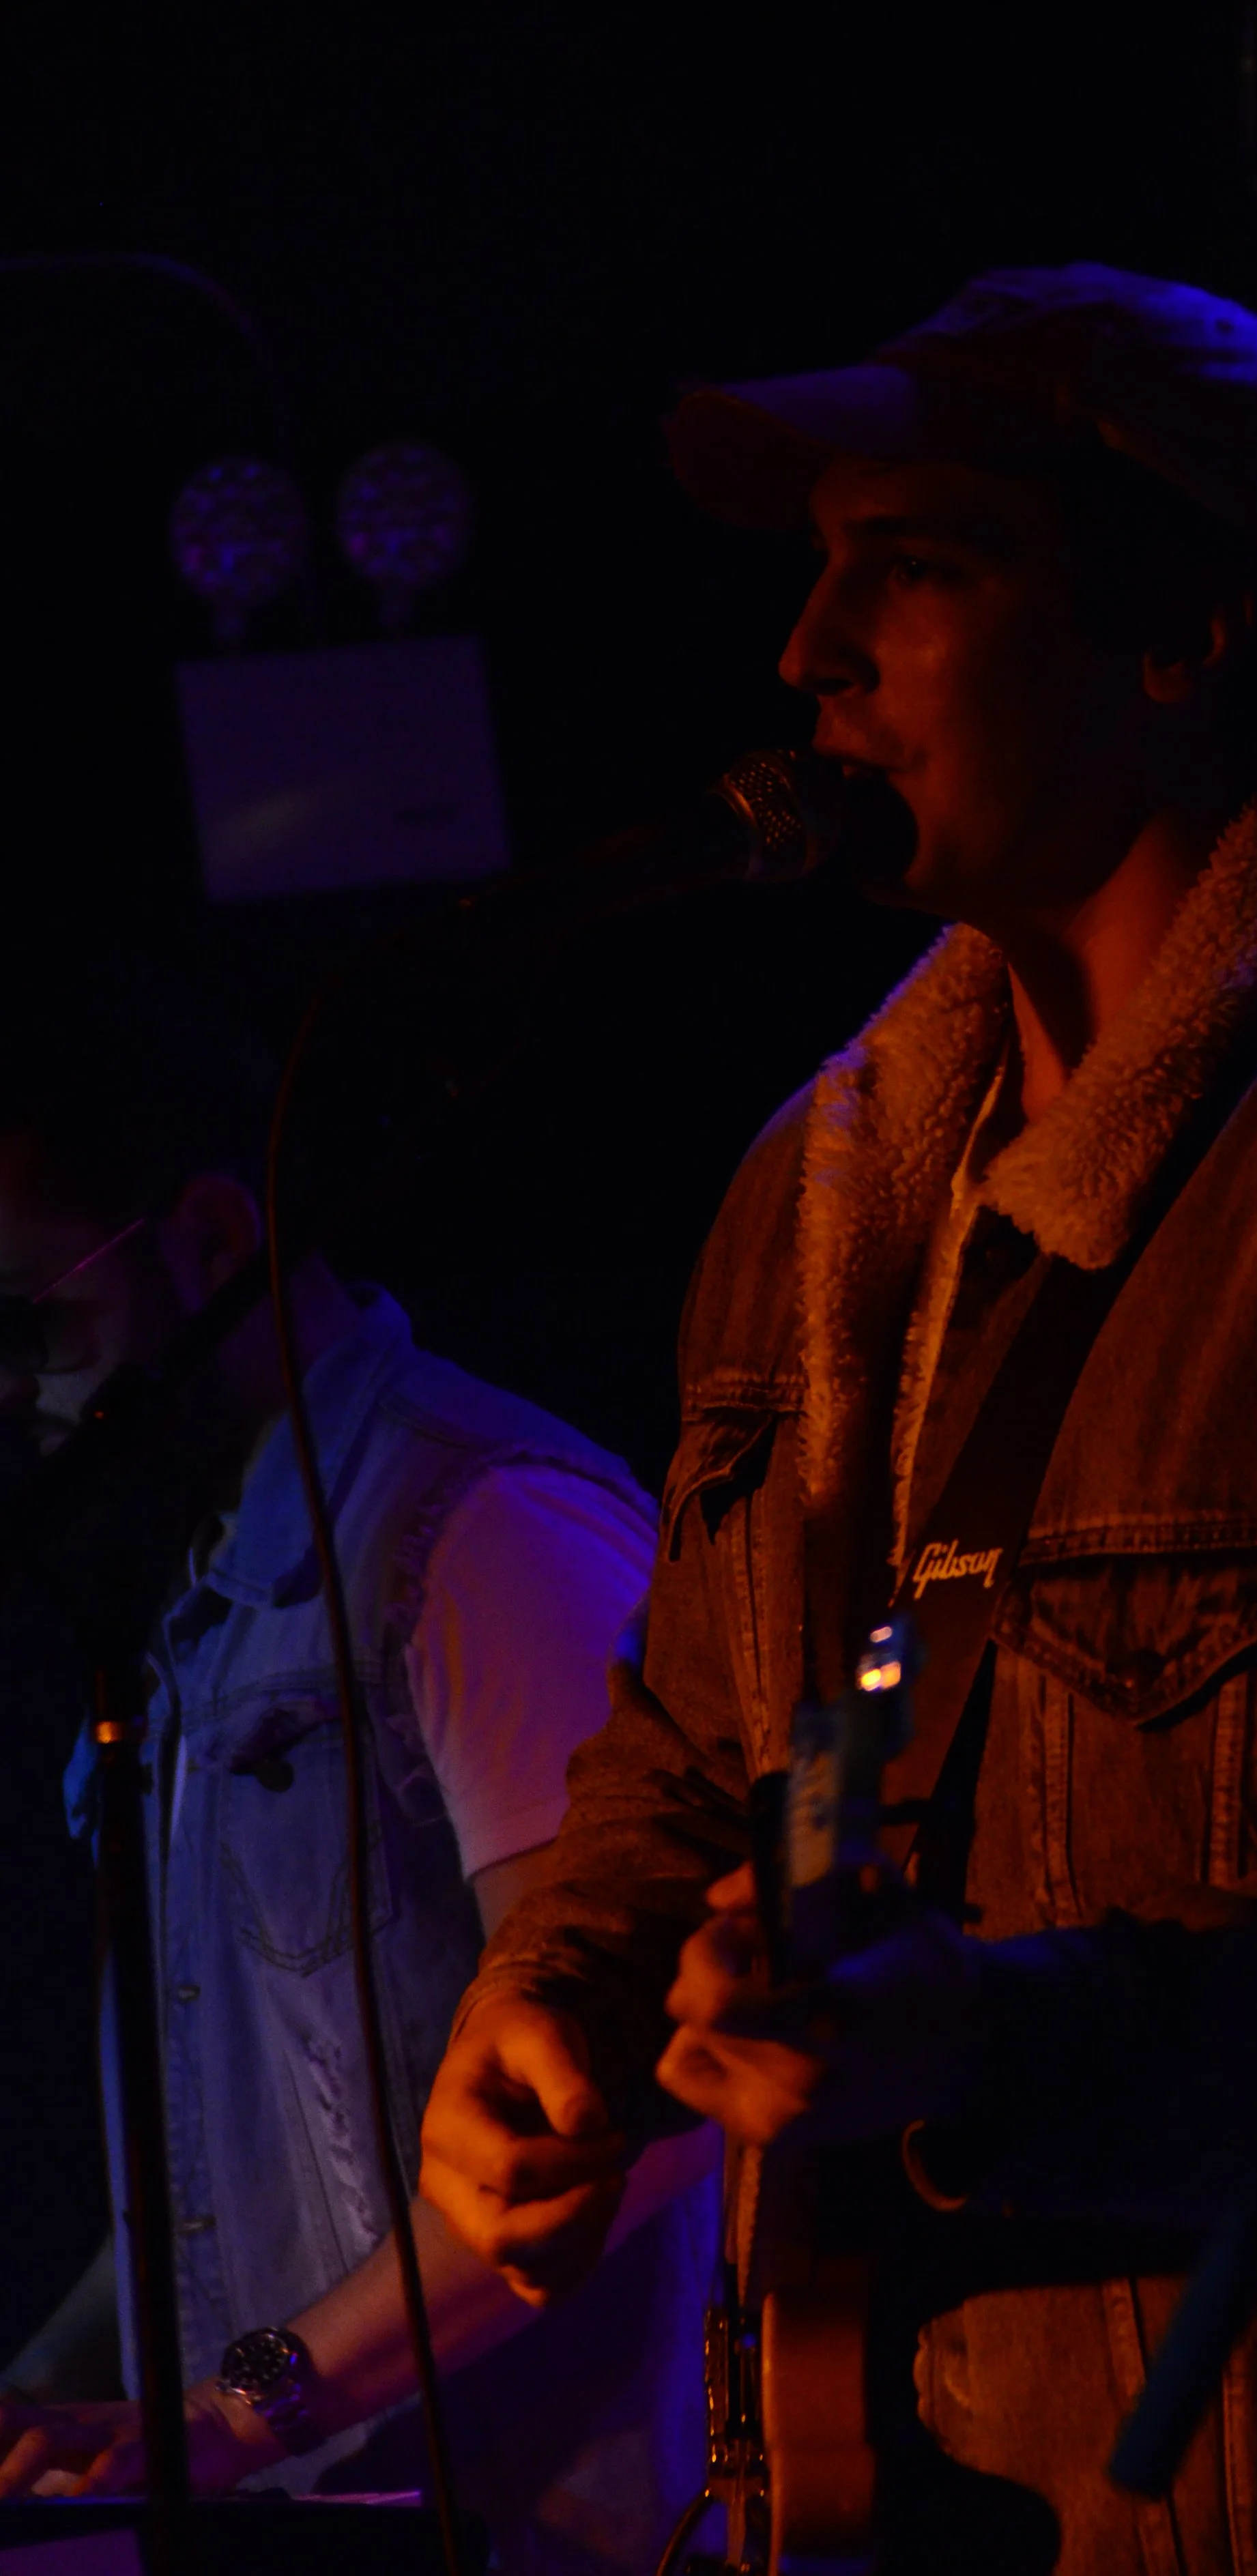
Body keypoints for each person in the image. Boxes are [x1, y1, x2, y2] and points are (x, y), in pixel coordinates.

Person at [415, 266, 1257, 2575]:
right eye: (817, 572)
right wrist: (563, 1981)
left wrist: (1008, 2042)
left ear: (1183, 637)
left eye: (910, 568)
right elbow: (696, 1741)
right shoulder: (815, 1191)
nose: (806, 652)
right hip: (879, 2483)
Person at [0, 964, 719, 2575]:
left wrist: (239, 2412)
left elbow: (641, 2088)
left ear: (211, 1238)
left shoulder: (482, 1532)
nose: (8, 1384)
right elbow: (207, 2181)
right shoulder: (193, 1592)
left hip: (546, 2540)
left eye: (28, 1318)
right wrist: (48, 2401)